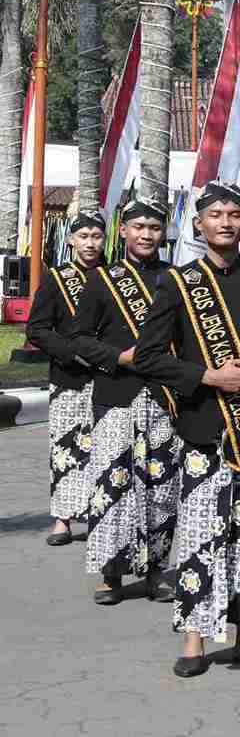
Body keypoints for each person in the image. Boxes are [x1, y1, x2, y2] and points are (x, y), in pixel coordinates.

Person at [132, 181, 240, 677]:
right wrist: (206, 376)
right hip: (201, 428)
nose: (225, 222)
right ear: (199, 223)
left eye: (234, 214)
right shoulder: (178, 283)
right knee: (200, 534)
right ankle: (194, 638)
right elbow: (148, 357)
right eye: (216, 214)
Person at [69, 199, 178, 606]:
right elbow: (79, 339)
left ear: (163, 232)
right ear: (124, 230)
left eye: (154, 227)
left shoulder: (177, 278)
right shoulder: (102, 280)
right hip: (116, 395)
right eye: (138, 226)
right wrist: (118, 357)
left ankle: (155, 571)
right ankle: (111, 574)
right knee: (112, 485)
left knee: (162, 487)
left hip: (165, 397)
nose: (146, 234)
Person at [27, 208, 106, 548]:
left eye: (96, 236)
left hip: (110, 377)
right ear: (71, 240)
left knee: (105, 449)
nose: (90, 243)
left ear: (105, 239)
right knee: (65, 448)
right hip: (69, 377)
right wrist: (71, 352)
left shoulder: (116, 276)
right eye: (83, 236)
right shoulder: (57, 278)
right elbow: (37, 329)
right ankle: (62, 520)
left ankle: (100, 516)